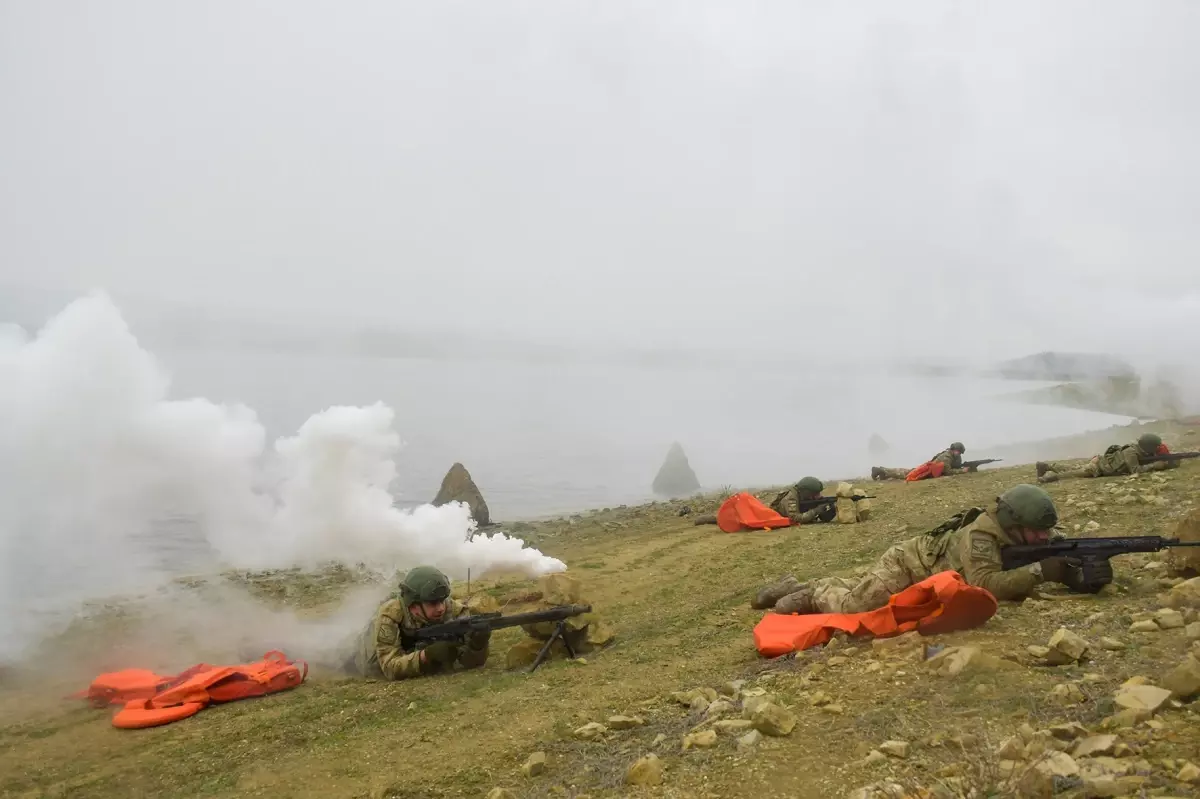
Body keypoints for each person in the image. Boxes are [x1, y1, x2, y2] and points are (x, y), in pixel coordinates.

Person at [751, 484, 1080, 614]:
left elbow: (1055, 544)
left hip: (926, 573)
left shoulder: (1027, 531)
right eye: (1036, 532)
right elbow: (985, 584)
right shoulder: (982, 535)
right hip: (909, 566)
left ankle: (797, 584)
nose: (1044, 537)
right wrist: (1040, 572)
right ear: (1014, 523)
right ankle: (811, 594)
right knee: (856, 606)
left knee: (860, 584)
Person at [351, 565, 490, 680]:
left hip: (408, 650)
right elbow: (389, 668)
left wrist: (477, 646)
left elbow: (469, 663)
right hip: (365, 654)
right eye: (433, 603)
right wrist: (426, 656)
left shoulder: (454, 610)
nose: (441, 608)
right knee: (344, 658)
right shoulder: (390, 615)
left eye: (442, 600)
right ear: (413, 605)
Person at [1036, 433, 1177, 483]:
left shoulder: (1140, 451)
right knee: (1074, 473)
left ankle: (1046, 467)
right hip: (1098, 468)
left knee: (1073, 468)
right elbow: (1135, 470)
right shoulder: (1132, 452)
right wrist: (1154, 466)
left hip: (1100, 463)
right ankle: (1049, 478)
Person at [871, 442, 970, 481]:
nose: (958, 454)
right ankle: (880, 470)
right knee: (906, 474)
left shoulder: (950, 455)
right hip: (927, 471)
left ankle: (884, 473)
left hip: (928, 470)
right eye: (958, 452)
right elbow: (947, 471)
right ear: (953, 450)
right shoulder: (947, 457)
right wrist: (962, 471)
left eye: (959, 453)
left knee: (907, 472)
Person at [767, 476, 840, 524]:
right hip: (773, 518)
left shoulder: (802, 495)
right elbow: (795, 518)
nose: (818, 496)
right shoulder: (791, 497)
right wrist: (816, 510)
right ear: (807, 493)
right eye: (815, 493)